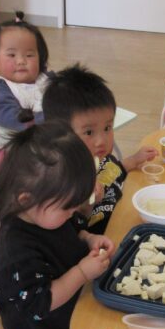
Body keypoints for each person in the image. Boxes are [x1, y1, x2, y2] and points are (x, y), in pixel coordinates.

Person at [0, 121, 125, 329]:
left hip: (74, 308)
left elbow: (71, 228)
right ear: (26, 199)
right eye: (69, 207)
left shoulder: (44, 212)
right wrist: (82, 272)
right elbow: (40, 302)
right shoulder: (16, 251)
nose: (75, 212)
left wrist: (87, 237)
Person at [42, 64, 156, 235]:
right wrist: (84, 207)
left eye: (108, 128)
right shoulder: (63, 183)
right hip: (100, 240)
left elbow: (111, 171)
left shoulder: (99, 158)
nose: (102, 141)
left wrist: (133, 160)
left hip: (121, 216)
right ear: (61, 135)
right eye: (89, 132)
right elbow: (67, 238)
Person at [0, 11, 52, 131]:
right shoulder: (1, 90)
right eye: (12, 55)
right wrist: (54, 118)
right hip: (27, 143)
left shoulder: (48, 79)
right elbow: (11, 120)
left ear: (40, 58)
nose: (21, 61)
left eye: (29, 55)